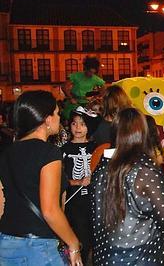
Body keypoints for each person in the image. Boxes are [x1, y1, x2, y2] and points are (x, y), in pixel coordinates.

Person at [91, 108, 164, 264]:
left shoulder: (102, 167)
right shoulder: (143, 170)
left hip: (106, 255)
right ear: (142, 134)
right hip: (141, 255)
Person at [0, 91, 83, 266]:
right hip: (37, 246)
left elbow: (1, 203)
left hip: (6, 242)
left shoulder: (6, 153)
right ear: (47, 119)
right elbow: (50, 210)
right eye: (57, 113)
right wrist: (73, 243)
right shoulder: (48, 153)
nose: (60, 118)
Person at [61, 110, 97, 263]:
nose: (78, 128)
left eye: (82, 124)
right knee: (81, 241)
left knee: (94, 241)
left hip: (94, 202)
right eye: (74, 123)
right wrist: (77, 182)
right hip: (74, 204)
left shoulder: (97, 148)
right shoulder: (64, 150)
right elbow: (58, 179)